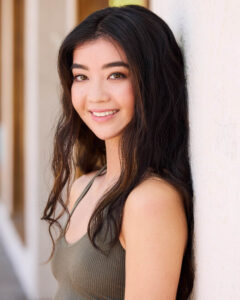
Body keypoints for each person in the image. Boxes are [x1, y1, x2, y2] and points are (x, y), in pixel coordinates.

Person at [42, 4, 195, 300]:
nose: (96, 96)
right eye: (81, 77)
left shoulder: (149, 202)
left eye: (116, 75)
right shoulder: (83, 186)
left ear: (152, 81)